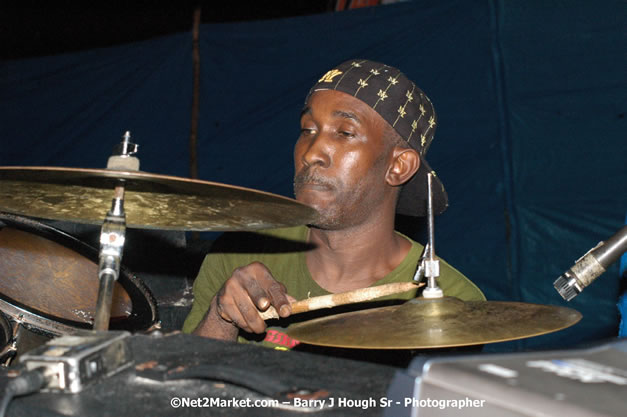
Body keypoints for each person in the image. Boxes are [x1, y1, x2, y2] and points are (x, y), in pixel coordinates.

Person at [182, 59, 485, 352]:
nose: (312, 153)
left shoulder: (451, 301)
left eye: (344, 133)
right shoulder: (239, 255)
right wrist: (221, 317)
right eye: (307, 130)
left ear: (399, 166)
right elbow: (178, 397)